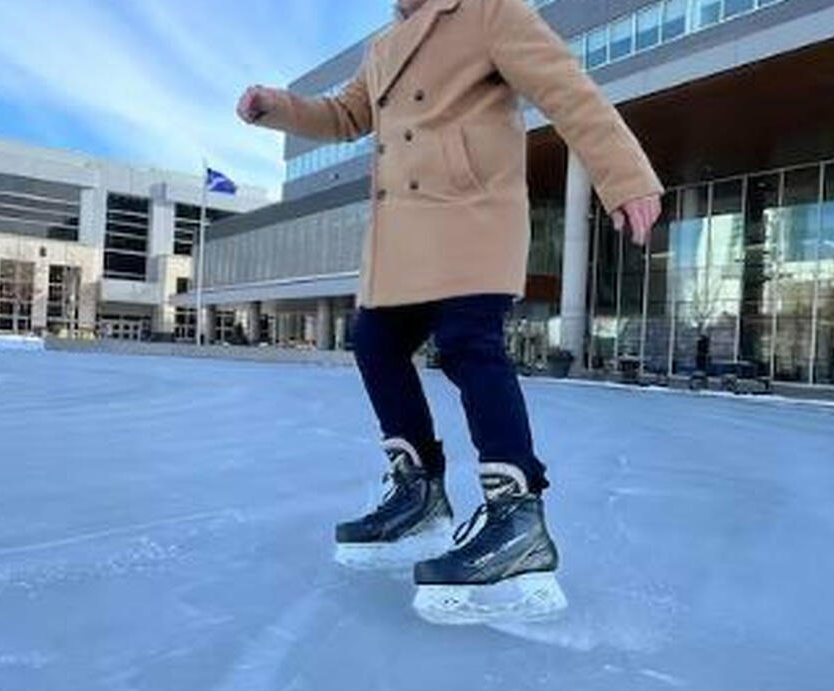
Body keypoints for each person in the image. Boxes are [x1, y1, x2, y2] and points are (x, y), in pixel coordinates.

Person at [237, 0, 662, 623]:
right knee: (374, 342)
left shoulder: (489, 11)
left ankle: (517, 518)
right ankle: (418, 493)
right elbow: (346, 115)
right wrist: (277, 106)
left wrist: (625, 176)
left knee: (468, 342)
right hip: (406, 238)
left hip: (472, 216)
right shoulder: (383, 46)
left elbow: (567, 89)